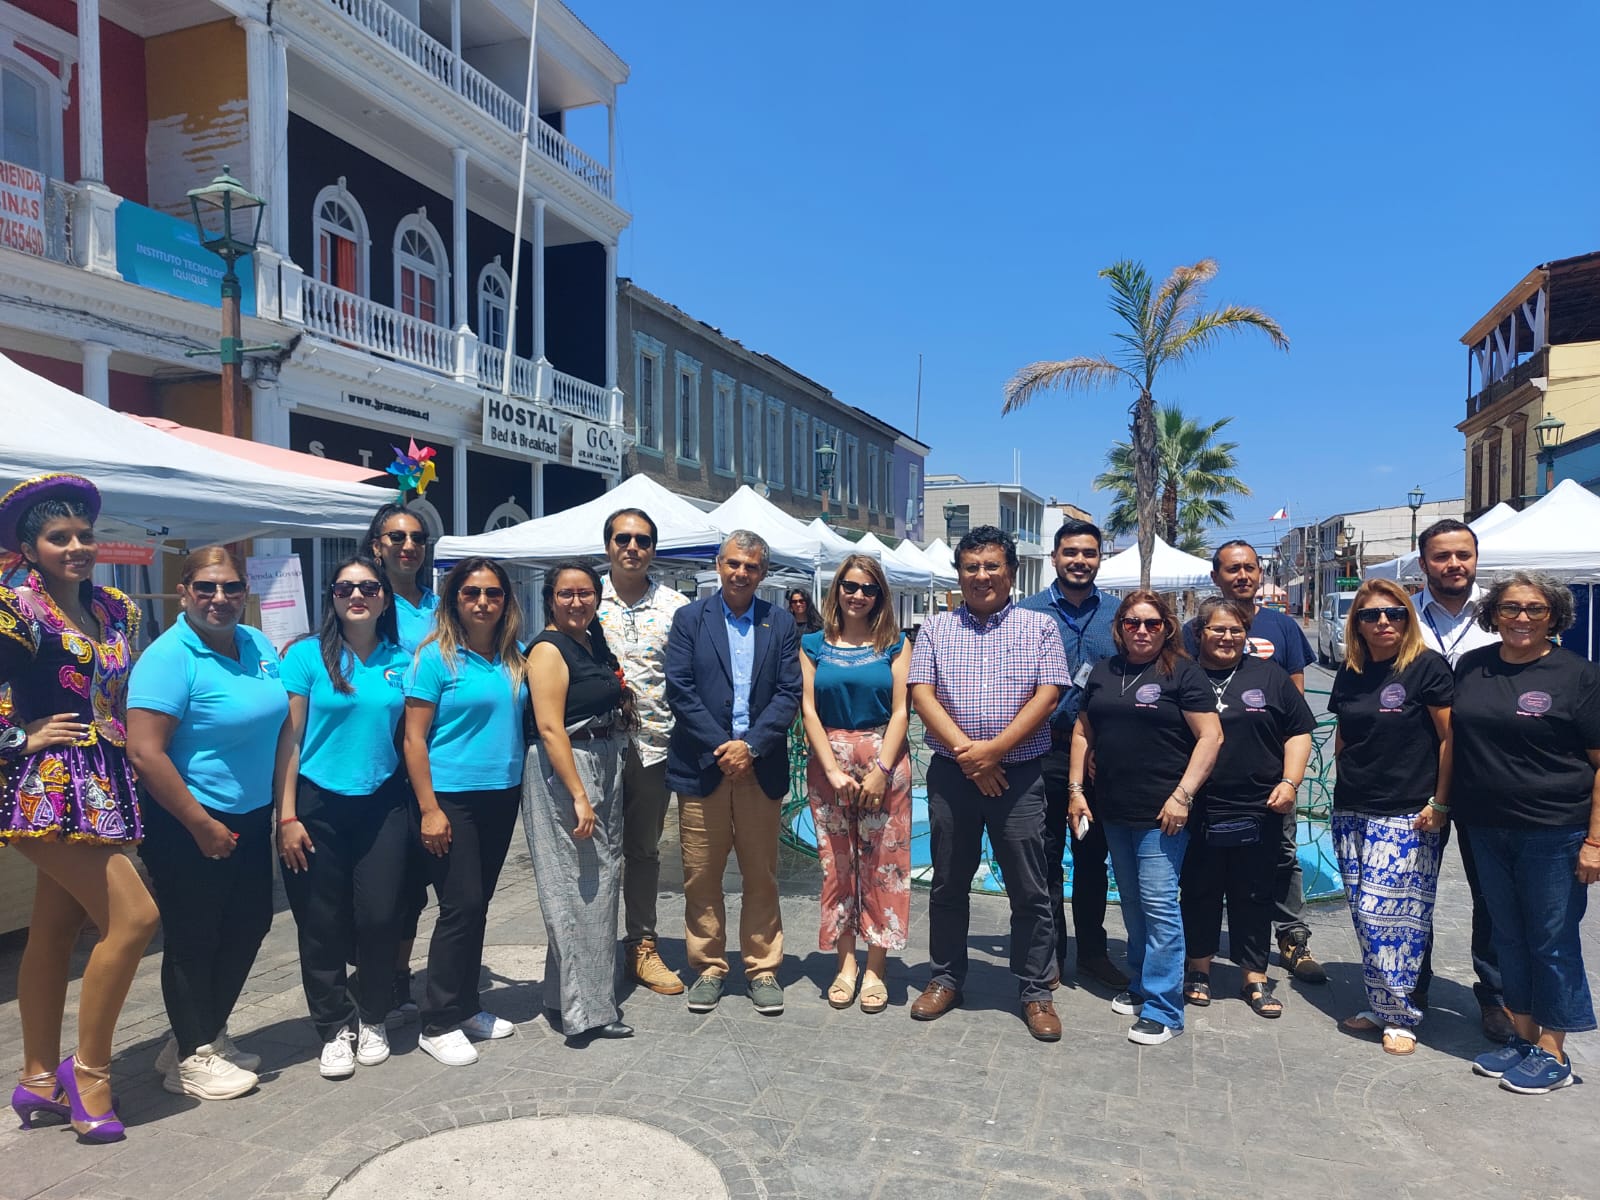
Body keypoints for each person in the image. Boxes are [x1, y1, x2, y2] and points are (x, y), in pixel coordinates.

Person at [0, 474, 158, 1142]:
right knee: (137, 916)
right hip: (44, 788)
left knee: (55, 930)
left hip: (106, 781)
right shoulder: (12, 609)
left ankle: (37, 1077)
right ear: (30, 549)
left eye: (84, 535)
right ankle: (88, 1071)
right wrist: (19, 736)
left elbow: (122, 693)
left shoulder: (119, 609)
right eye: (58, 538)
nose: (77, 547)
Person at [128, 545, 287, 1100]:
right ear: (184, 591)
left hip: (248, 814)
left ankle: (197, 1033)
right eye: (206, 588)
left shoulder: (256, 643)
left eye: (231, 588)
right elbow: (146, 752)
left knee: (248, 924)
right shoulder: (170, 656)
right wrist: (199, 823)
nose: (220, 598)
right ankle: (193, 1058)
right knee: (196, 936)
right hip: (187, 819)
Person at [908, 526, 1069, 1042]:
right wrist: (971, 756)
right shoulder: (935, 629)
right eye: (971, 567)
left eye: (991, 566)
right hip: (953, 775)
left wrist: (995, 752)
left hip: (1019, 776)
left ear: (1012, 573)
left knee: (1030, 887)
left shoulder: (1039, 627)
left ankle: (1034, 989)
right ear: (960, 574)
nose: (981, 576)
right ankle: (946, 978)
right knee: (949, 882)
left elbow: (1049, 695)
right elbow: (922, 695)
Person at [1446, 572, 1600, 1094]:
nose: (1522, 618)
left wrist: (1596, 840)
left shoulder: (1577, 675)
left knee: (1551, 939)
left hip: (1554, 830)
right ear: (1494, 614)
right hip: (1486, 826)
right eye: (1511, 608)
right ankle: (1524, 1037)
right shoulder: (1472, 666)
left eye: (1535, 609)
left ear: (1554, 616)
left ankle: (1555, 1052)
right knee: (1507, 934)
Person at [274, 557, 410, 1079]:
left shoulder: (403, 659)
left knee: (380, 916)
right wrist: (286, 817)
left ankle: (373, 1015)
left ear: (384, 597)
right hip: (317, 804)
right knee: (321, 921)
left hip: (382, 802)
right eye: (346, 587)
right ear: (331, 596)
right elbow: (290, 739)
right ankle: (332, 1026)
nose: (358, 595)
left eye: (369, 587)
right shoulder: (307, 657)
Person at [1071, 590, 1221, 1046]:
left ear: (1167, 627)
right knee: (1134, 903)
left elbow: (1211, 737)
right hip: (1113, 809)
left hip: (1163, 813)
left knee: (1158, 907)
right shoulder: (1103, 671)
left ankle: (1164, 1008)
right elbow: (1083, 730)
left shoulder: (1183, 673)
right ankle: (1140, 983)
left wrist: (1182, 796)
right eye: (1133, 622)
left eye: (1152, 623)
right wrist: (1076, 789)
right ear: (1120, 627)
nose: (1142, 630)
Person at [665, 531, 801, 1016]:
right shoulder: (688, 619)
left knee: (760, 874)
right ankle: (708, 966)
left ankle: (762, 967)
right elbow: (679, 689)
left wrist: (752, 746)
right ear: (718, 565)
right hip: (703, 764)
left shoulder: (779, 623)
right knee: (701, 874)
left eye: (752, 566)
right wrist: (724, 747)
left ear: (764, 573)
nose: (741, 573)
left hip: (759, 767)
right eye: (734, 564)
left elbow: (789, 691)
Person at [402, 557, 527, 1067]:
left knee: (478, 906)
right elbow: (412, 739)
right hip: (451, 797)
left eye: (493, 593)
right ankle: (436, 1020)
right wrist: (429, 809)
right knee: (460, 906)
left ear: (505, 601)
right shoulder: (434, 658)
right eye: (472, 592)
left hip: (502, 793)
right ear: (455, 598)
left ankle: (467, 1004)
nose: (482, 601)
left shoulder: (513, 656)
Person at [1183, 539, 1325, 985]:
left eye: (1250, 568)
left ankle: (1289, 939)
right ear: (1216, 576)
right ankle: (1196, 960)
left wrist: (1289, 776)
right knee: (1200, 879)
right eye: (1232, 568)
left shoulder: (1281, 629)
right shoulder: (1190, 631)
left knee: (1278, 861)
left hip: (1264, 785)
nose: (1242, 575)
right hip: (1201, 794)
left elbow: (1296, 703)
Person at [1327, 579, 1452, 1056]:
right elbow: (1343, 733)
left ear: (1408, 618)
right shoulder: (1351, 671)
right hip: (1352, 807)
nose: (1383, 622)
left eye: (1394, 613)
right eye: (1371, 614)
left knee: (1395, 917)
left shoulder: (1426, 668)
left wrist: (1439, 803)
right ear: (1356, 622)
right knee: (1364, 913)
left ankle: (1401, 1015)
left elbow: (1449, 739)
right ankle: (1381, 1005)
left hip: (1407, 812)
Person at [523, 561, 634, 1045]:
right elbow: (549, 728)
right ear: (551, 597)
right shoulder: (547, 650)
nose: (576, 602)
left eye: (585, 593)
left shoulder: (591, 639)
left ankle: (562, 994)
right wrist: (578, 795)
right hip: (569, 767)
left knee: (597, 880)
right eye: (566, 594)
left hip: (601, 757)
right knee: (580, 886)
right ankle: (587, 1012)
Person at [1409, 517, 1510, 1042]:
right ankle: (1411, 982)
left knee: (1490, 892)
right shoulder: (1401, 615)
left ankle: (1493, 995)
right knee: (1414, 883)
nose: (1454, 565)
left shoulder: (1504, 612)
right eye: (1442, 556)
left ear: (1475, 559)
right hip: (1416, 774)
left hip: (1489, 774)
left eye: (1463, 555)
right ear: (1423, 561)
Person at [799, 554, 912, 1014]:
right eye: (850, 585)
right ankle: (845, 964)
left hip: (884, 760)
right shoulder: (812, 644)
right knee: (837, 866)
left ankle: (876, 969)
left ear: (879, 595)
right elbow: (808, 710)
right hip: (830, 762)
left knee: (885, 865)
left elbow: (903, 710)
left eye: (868, 588)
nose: (858, 595)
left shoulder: (895, 643)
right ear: (837, 589)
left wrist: (881, 770)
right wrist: (831, 769)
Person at [1019, 518, 1128, 992]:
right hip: (1043, 750)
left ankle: (1094, 953)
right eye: (1070, 553)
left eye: (1089, 553)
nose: (1079, 561)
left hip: (1101, 757)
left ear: (1099, 558)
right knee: (1043, 858)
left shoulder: (1121, 616)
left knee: (1091, 858)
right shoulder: (1026, 613)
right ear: (1055, 557)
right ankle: (1051, 954)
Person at [596, 507, 689, 997]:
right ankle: (592, 948)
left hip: (654, 748)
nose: (633, 547)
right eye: (623, 538)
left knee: (643, 851)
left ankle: (642, 946)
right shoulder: (583, 598)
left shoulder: (676, 606)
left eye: (643, 540)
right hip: (591, 749)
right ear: (608, 544)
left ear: (653, 548)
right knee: (591, 850)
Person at [366, 502, 438, 1021]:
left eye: (416, 537)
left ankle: (397, 974)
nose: (407, 545)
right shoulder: (365, 601)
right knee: (382, 882)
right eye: (396, 537)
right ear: (377, 546)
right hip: (379, 761)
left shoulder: (442, 606)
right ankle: (373, 972)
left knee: (413, 884)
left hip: (436, 760)